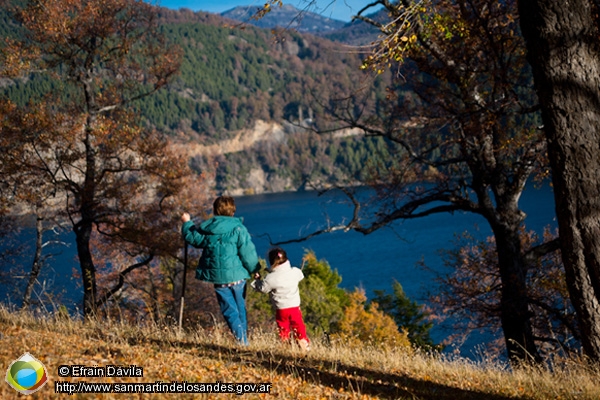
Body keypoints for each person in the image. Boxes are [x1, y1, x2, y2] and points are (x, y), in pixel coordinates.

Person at [181, 195, 260, 345]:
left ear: (215, 210)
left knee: (230, 311)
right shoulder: (239, 228)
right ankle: (244, 341)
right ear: (233, 211)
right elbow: (247, 252)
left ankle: (242, 341)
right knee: (240, 309)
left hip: (219, 278)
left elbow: (193, 238)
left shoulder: (209, 230)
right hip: (237, 276)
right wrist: (254, 269)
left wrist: (187, 223)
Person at [251, 247, 310, 351]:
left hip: (281, 309)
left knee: (283, 328)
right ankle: (304, 343)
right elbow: (300, 275)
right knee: (299, 326)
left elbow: (263, 289)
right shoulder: (294, 272)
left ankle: (286, 346)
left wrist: (257, 280)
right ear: (286, 259)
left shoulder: (270, 278)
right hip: (294, 307)